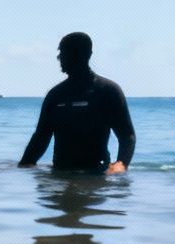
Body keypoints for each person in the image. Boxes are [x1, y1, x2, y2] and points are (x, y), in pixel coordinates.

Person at [19, 32, 136, 174]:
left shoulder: (107, 91)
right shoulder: (55, 95)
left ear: (83, 54)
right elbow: (41, 137)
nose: (59, 57)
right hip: (60, 173)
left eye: (63, 52)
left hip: (96, 174)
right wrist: (25, 164)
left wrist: (121, 164)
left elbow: (127, 135)